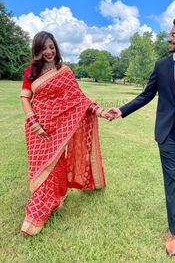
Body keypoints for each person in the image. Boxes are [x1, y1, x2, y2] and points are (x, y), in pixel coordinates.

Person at [106, 16, 175, 256]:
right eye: (170, 33)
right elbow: (146, 95)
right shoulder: (161, 66)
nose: (169, 38)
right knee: (172, 178)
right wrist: (122, 110)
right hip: (165, 131)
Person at [20, 31, 109, 236]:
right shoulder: (30, 72)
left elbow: (80, 100)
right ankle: (50, 199)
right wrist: (33, 122)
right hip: (36, 128)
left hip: (58, 128)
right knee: (39, 167)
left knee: (57, 165)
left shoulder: (64, 71)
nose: (49, 52)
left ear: (56, 48)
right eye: (44, 48)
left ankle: (37, 213)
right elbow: (25, 98)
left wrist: (101, 112)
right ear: (37, 50)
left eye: (52, 47)